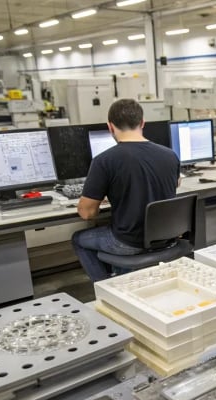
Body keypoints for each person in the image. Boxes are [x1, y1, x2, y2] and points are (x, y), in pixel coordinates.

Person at [72, 99, 180, 282]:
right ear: (142, 123)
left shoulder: (104, 160)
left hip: (129, 242)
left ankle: (108, 287)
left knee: (78, 239)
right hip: (166, 237)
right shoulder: (170, 155)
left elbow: (87, 213)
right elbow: (174, 184)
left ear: (110, 127)